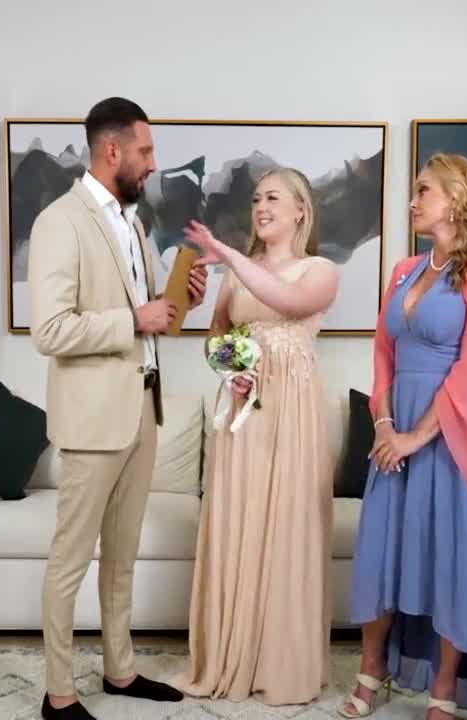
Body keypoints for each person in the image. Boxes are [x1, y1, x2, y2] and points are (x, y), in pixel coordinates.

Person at [28, 96, 209, 720]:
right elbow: (50, 330)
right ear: (113, 151)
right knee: (70, 560)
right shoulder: (60, 222)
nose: (153, 163)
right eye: (146, 151)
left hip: (141, 411)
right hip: (91, 423)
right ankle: (58, 694)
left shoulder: (133, 224)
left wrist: (178, 300)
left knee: (122, 557)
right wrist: (135, 317)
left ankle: (120, 671)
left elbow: (151, 321)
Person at [340, 153, 467, 720]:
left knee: (450, 560)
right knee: (380, 554)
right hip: (393, 431)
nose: (413, 200)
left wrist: (414, 438)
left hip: (454, 442)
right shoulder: (404, 270)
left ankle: (444, 687)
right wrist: (383, 425)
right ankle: (371, 668)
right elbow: (384, 352)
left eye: (424, 190)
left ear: (456, 198)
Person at [171, 167, 340, 706]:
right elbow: (216, 336)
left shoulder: (320, 270)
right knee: (237, 520)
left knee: (288, 524)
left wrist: (227, 253)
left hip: (292, 413)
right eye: (255, 199)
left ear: (300, 210)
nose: (261, 207)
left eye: (273, 198)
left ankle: (280, 663)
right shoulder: (236, 275)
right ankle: (231, 653)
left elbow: (287, 303)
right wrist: (229, 368)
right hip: (242, 413)